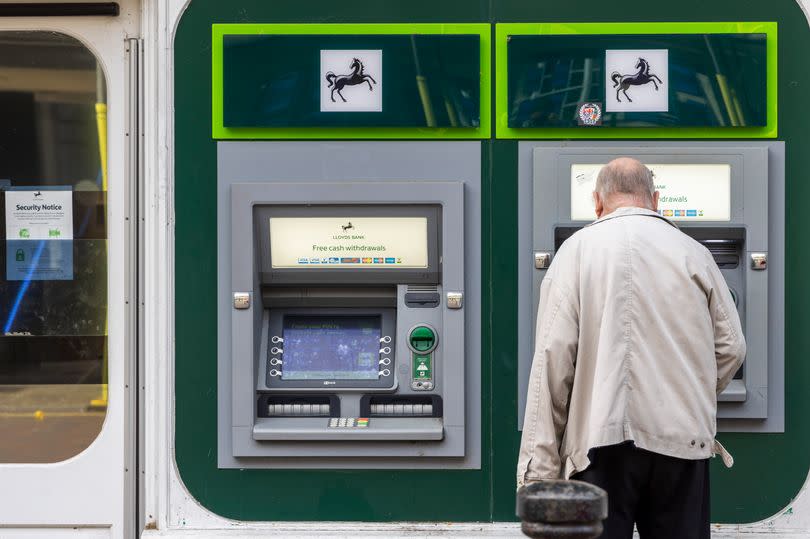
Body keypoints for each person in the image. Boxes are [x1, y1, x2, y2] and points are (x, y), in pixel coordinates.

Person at [516, 157, 746, 539]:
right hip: (682, 445)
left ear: (597, 202)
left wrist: (536, 474)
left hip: (598, 449)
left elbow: (553, 363)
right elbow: (732, 348)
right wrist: (687, 394)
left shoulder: (574, 253)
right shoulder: (694, 253)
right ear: (655, 200)